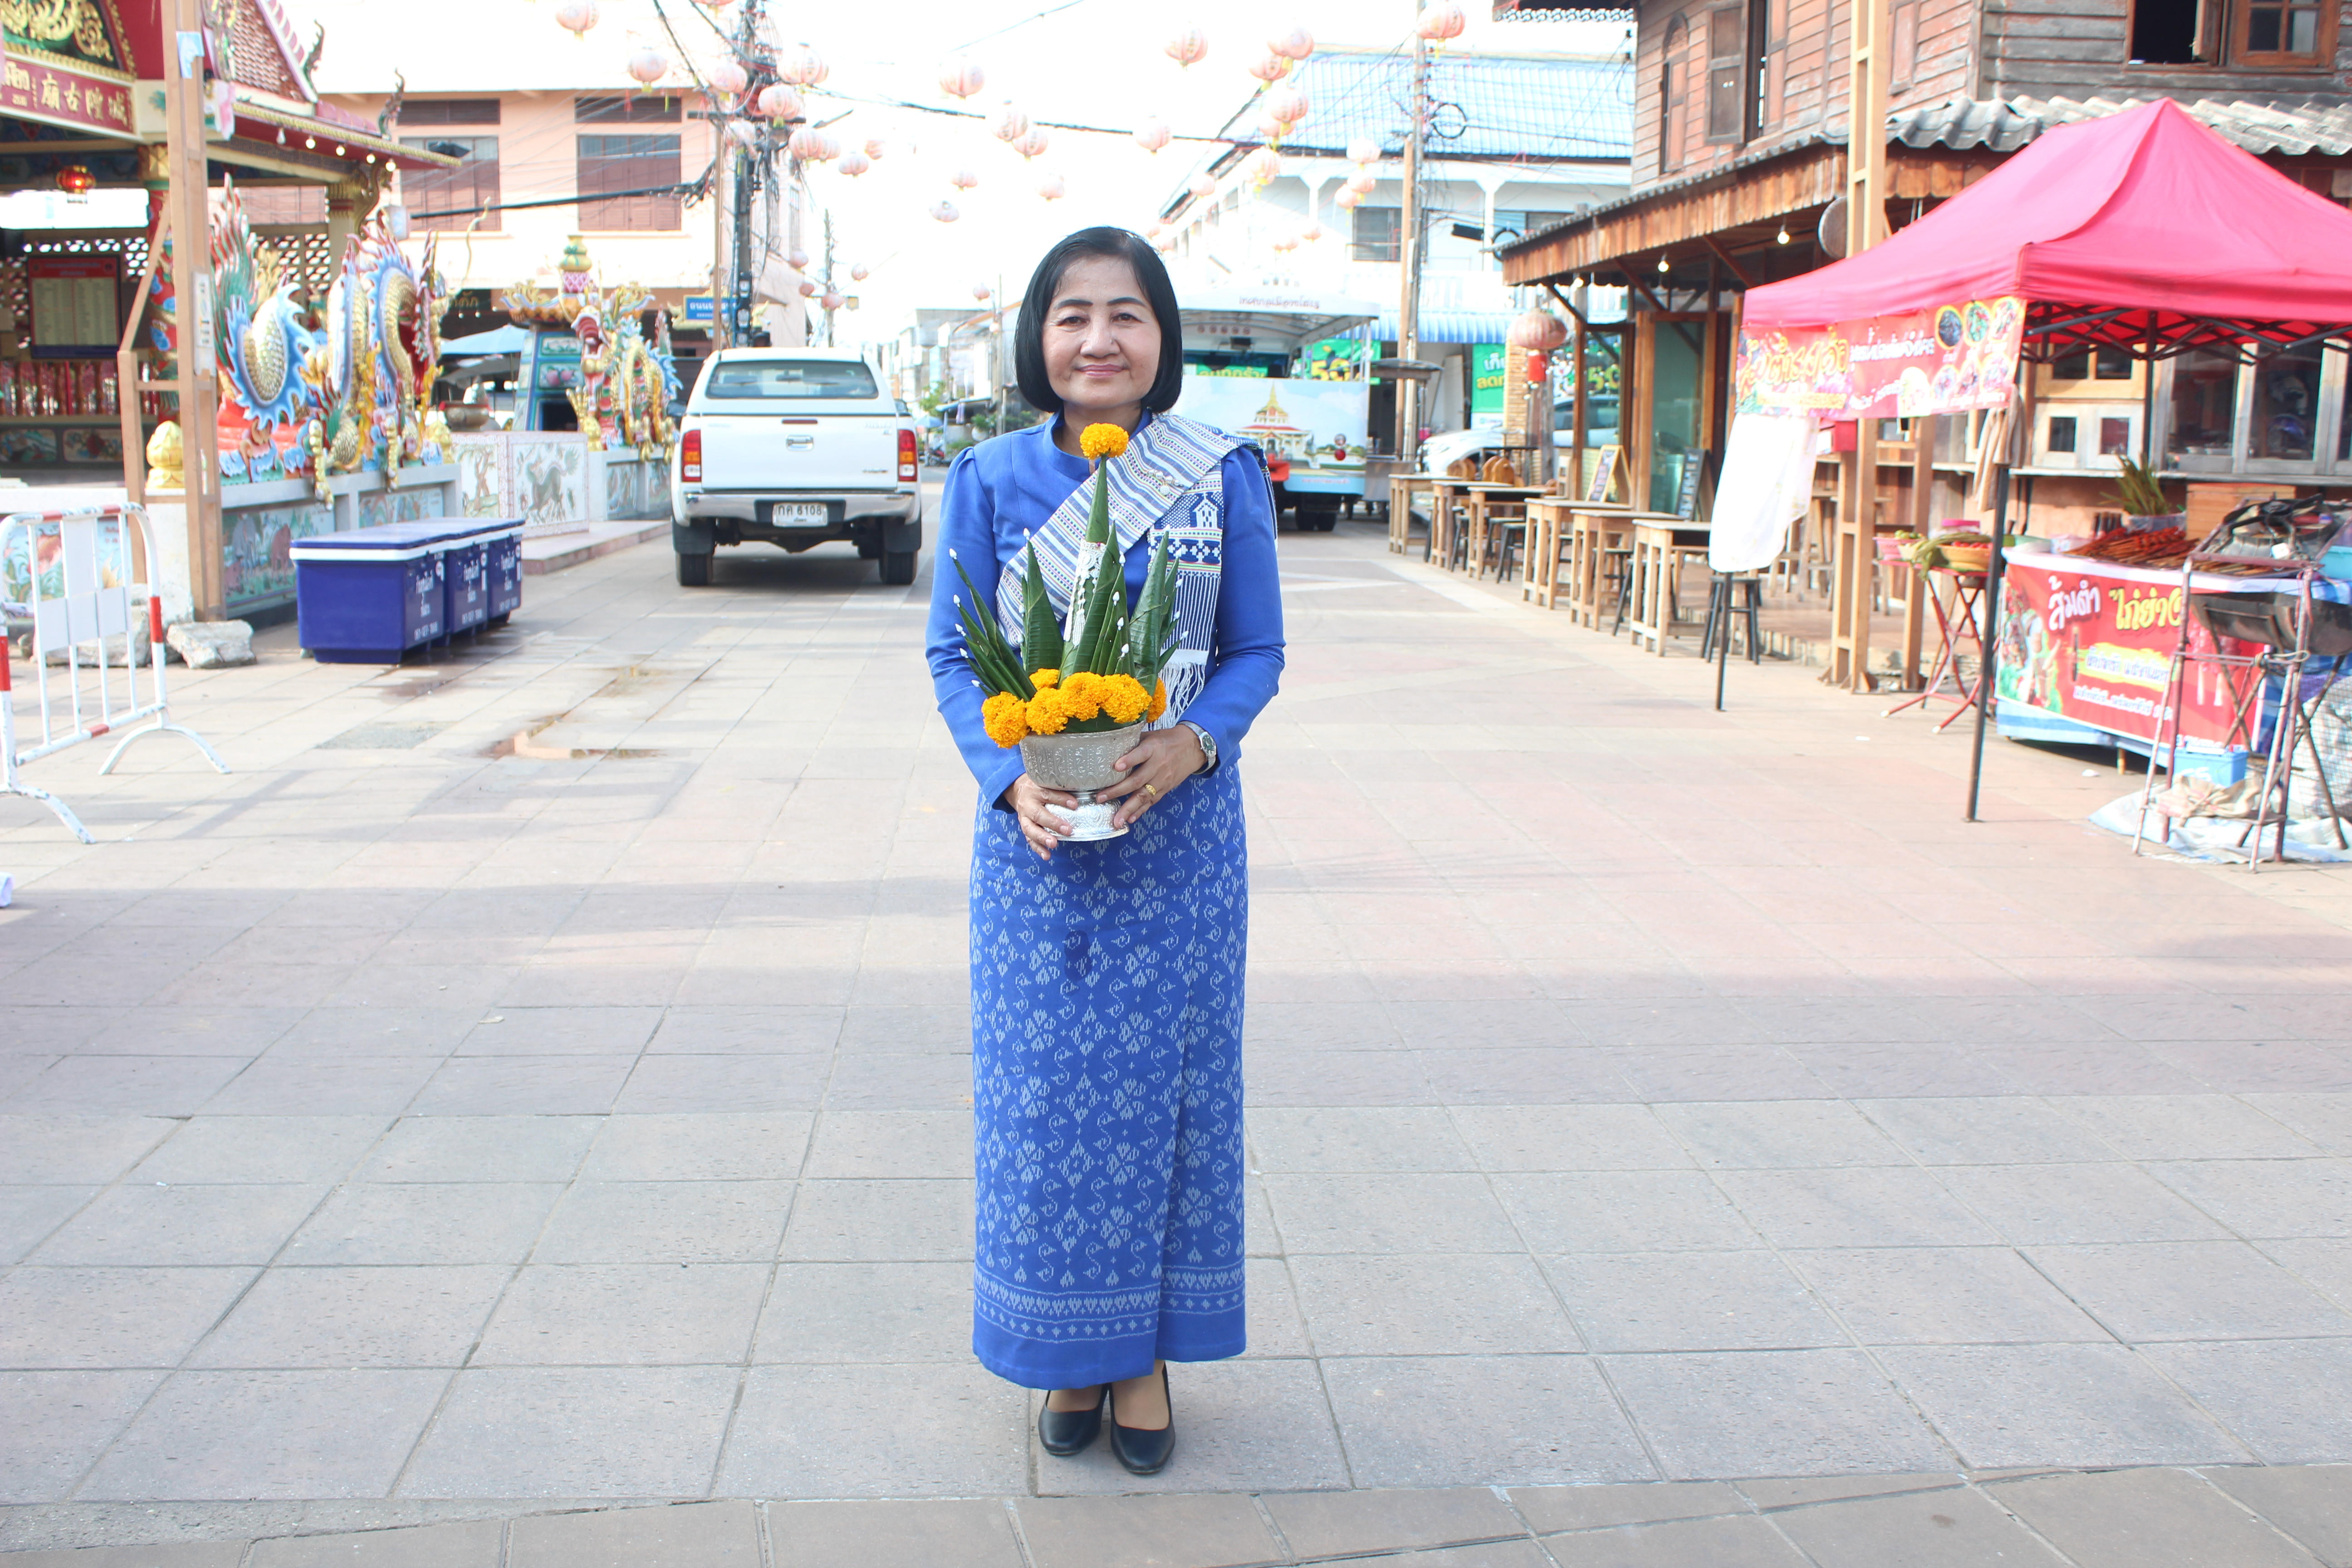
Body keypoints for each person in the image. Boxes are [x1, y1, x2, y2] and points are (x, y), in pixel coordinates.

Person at [922, 227, 1284, 1475]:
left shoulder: (1221, 472)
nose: (1098, 339)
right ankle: (1063, 1350)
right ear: (1040, 337)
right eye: (1072, 314)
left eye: (1126, 314)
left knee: (1167, 1108)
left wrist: (1196, 747)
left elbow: (1256, 653)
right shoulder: (986, 481)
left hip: (1178, 847)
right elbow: (953, 658)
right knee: (1045, 1110)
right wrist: (1003, 774)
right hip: (1033, 851)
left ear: (1162, 340)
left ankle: (1143, 1357)